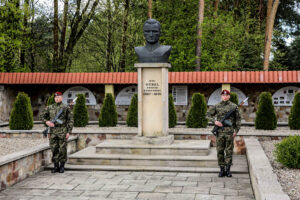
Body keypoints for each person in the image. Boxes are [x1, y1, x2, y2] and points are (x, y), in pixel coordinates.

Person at [206, 89, 241, 177]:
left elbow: (238, 119)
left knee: (229, 151)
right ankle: (222, 170)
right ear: (221, 96)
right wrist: (215, 121)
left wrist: (236, 131)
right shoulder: (217, 106)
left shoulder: (233, 106)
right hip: (220, 132)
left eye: (227, 95)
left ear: (229, 96)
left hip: (229, 132)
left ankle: (228, 170)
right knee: (220, 151)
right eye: (223, 95)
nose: (225, 97)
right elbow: (207, 115)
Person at [40, 91, 73, 173]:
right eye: (55, 97)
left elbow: (70, 120)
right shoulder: (49, 107)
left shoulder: (65, 107)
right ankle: (55, 166)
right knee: (54, 148)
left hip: (62, 130)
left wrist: (69, 131)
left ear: (61, 98)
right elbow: (42, 116)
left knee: (62, 149)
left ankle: (62, 166)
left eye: (58, 97)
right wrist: (46, 122)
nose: (56, 98)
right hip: (53, 131)